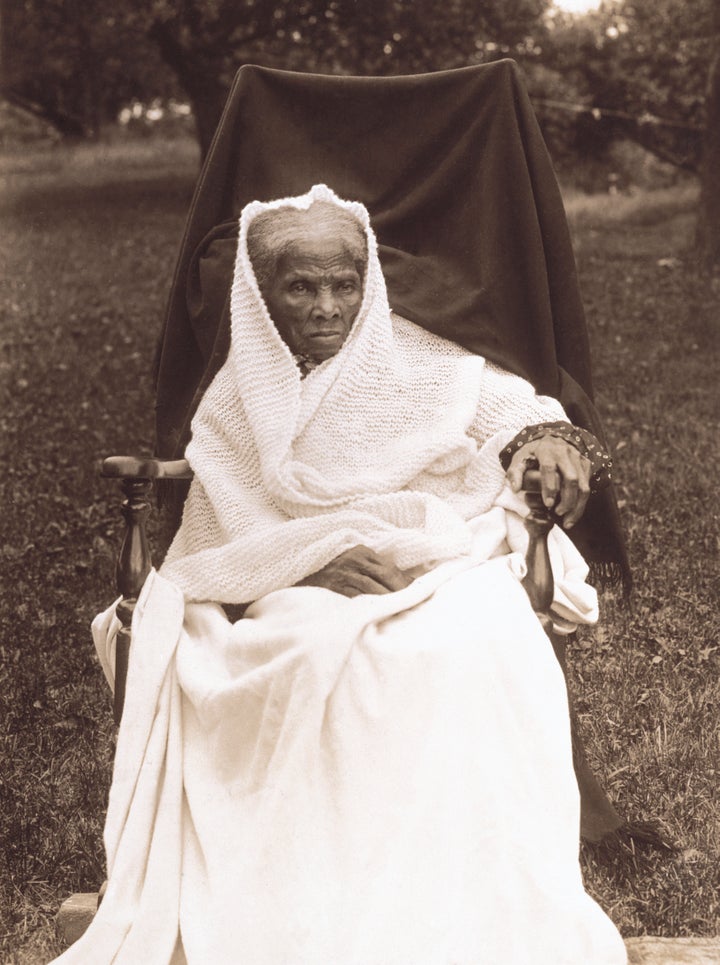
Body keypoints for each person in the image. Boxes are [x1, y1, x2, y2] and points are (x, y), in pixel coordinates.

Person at [53, 184, 627, 964]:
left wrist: (550, 439)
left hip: (432, 556)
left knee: (471, 642)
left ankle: (447, 888)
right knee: (298, 651)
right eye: (301, 285)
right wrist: (306, 560)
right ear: (262, 293)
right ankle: (311, 893)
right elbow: (217, 535)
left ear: (368, 283)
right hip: (287, 585)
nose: (327, 305)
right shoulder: (236, 396)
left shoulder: (415, 354)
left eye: (344, 283)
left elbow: (511, 409)